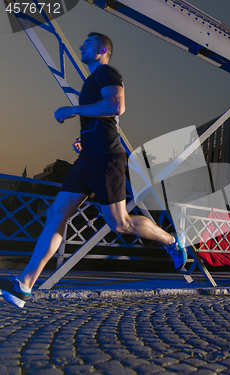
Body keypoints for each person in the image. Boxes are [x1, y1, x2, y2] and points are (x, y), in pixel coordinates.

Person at [0, 32, 187, 309]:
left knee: (120, 223)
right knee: (56, 214)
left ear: (101, 50)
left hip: (107, 160)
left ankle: (171, 241)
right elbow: (101, 117)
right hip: (88, 159)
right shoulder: (91, 81)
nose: (80, 46)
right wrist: (85, 139)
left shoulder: (107, 72)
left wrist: (74, 109)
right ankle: (25, 286)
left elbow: (116, 105)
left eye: (87, 43)